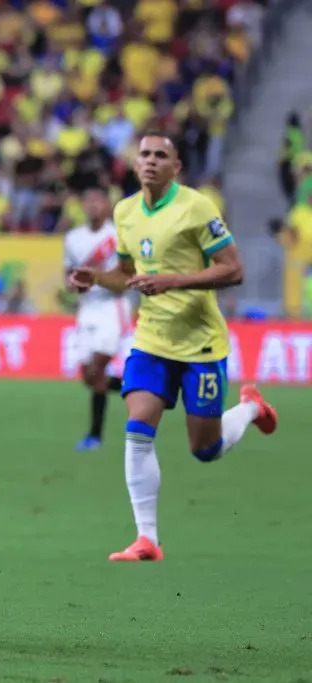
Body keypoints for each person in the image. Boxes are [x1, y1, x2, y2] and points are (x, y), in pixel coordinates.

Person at [69, 133, 278, 562]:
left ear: (176, 166)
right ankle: (147, 539)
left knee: (205, 449)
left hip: (200, 343)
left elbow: (233, 270)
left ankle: (251, 407)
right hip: (151, 340)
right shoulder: (125, 212)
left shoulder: (196, 208)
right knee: (137, 428)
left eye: (160, 155)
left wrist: (174, 281)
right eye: (144, 154)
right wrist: (96, 276)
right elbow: (126, 272)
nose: (150, 161)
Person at [63, 188, 132, 451]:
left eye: (97, 201)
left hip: (112, 307)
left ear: (107, 205)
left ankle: (95, 435)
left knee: (96, 370)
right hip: (87, 308)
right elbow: (69, 273)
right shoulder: (73, 238)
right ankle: (145, 389)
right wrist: (71, 286)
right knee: (89, 377)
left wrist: (104, 280)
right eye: (88, 201)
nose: (92, 206)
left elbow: (126, 275)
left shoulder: (117, 236)